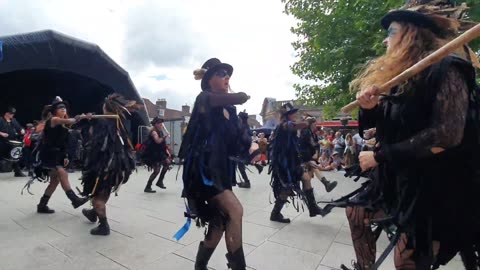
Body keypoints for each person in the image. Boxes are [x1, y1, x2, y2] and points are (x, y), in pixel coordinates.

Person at [341, 7, 480, 270]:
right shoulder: (398, 79)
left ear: (411, 35)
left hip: (437, 183)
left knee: (407, 259)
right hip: (400, 176)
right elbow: (389, 124)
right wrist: (370, 109)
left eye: (392, 32)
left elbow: (446, 135)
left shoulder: (448, 69)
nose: (385, 40)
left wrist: (379, 156)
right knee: (357, 212)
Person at [178, 58, 250, 270]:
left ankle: (200, 266)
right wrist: (240, 97)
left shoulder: (228, 110)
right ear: (209, 80)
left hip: (221, 171)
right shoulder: (204, 99)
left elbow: (236, 143)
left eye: (228, 75)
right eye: (221, 74)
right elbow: (236, 97)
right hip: (204, 171)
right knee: (235, 210)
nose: (227, 77)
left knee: (219, 223)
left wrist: (243, 127)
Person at [80, 94, 137, 235]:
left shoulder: (104, 122)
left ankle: (103, 226)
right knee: (104, 188)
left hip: (103, 165)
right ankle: (93, 213)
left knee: (96, 197)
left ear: (105, 107)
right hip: (117, 166)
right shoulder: (120, 122)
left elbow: (95, 142)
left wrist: (89, 122)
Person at [269, 103, 326, 223]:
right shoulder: (284, 125)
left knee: (301, 180)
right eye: (293, 113)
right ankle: (276, 213)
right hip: (284, 165)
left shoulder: (288, 125)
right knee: (289, 187)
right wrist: (307, 122)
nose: (296, 114)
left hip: (291, 163)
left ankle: (312, 208)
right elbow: (294, 126)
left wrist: (305, 161)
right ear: (288, 115)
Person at [33, 97, 90, 214]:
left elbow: (64, 142)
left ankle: (42, 205)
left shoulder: (64, 125)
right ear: (55, 111)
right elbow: (71, 121)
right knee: (62, 174)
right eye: (60, 108)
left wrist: (65, 156)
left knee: (54, 181)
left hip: (56, 154)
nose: (63, 109)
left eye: (64, 107)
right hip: (48, 153)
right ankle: (74, 200)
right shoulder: (54, 120)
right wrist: (80, 117)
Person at [298, 116, 337, 193]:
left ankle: (307, 190)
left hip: (310, 155)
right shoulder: (306, 131)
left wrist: (319, 149)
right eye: (314, 122)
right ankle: (326, 184)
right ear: (310, 124)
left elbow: (316, 145)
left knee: (309, 173)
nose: (316, 124)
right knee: (313, 168)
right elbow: (311, 143)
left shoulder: (313, 134)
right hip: (304, 155)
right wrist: (318, 143)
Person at [141, 117, 171, 192]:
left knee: (167, 163)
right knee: (156, 170)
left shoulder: (160, 131)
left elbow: (162, 144)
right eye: (159, 123)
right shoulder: (154, 132)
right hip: (153, 154)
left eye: (161, 123)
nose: (161, 125)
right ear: (156, 124)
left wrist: (167, 151)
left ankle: (160, 181)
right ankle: (148, 186)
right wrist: (165, 136)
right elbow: (157, 141)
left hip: (160, 153)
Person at [0, 107, 26, 177]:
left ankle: (17, 171)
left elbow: (19, 127)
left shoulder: (13, 120)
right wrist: (1, 134)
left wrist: (22, 130)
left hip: (11, 141)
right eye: (11, 114)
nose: (12, 115)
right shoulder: (1, 120)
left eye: (13, 114)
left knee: (15, 156)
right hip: (2, 141)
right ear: (6, 113)